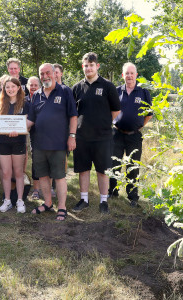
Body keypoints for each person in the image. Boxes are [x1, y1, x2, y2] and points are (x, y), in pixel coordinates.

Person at [71, 52, 120, 214]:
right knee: (83, 169)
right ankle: (84, 199)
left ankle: (103, 201)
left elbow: (116, 110)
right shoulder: (77, 88)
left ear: (97, 66)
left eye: (91, 65)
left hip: (103, 137)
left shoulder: (108, 86)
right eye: (86, 65)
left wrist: (103, 123)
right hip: (82, 137)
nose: (89, 68)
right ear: (82, 67)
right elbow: (73, 113)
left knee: (103, 170)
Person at [28, 63, 78, 221]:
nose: (44, 76)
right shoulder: (36, 95)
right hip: (39, 144)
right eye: (41, 74)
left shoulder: (65, 91)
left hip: (58, 144)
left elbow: (73, 116)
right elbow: (30, 120)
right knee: (42, 176)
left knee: (59, 176)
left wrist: (72, 136)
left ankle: (62, 207)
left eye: (47, 73)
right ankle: (48, 203)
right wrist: (11, 129)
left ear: (55, 74)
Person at [109, 63, 153, 207]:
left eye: (131, 73)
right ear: (123, 75)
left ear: (136, 75)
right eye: (126, 73)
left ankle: (133, 196)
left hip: (134, 135)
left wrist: (140, 126)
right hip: (117, 134)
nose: (129, 76)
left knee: (132, 166)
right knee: (114, 164)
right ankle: (112, 191)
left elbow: (149, 114)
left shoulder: (143, 92)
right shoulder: (116, 91)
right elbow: (110, 111)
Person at [0, 77, 30, 213]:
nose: (10, 89)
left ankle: (20, 201)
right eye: (7, 87)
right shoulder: (0, 103)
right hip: (3, 142)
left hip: (19, 142)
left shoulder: (25, 103)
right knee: (6, 172)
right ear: (4, 89)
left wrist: (19, 129)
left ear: (19, 87)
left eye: (13, 87)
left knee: (18, 172)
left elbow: (28, 122)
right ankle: (7, 200)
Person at [25, 76, 43, 200]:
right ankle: (36, 189)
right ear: (27, 86)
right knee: (36, 161)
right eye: (31, 85)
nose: (33, 87)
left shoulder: (44, 98)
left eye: (35, 85)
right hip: (28, 134)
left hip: (44, 133)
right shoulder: (23, 100)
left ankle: (49, 187)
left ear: (40, 86)